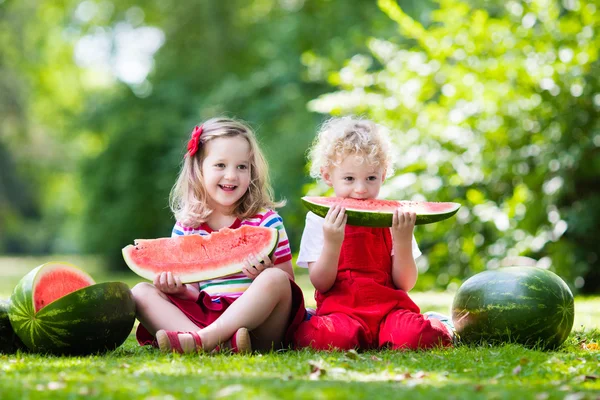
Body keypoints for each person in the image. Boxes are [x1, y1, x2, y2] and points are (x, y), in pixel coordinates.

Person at [132, 117, 305, 354]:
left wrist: (264, 273)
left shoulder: (267, 222)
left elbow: (289, 285)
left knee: (275, 279)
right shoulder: (187, 227)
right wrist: (178, 290)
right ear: (199, 169)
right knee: (140, 293)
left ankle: (202, 341)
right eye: (220, 165)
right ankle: (213, 344)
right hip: (206, 316)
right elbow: (193, 290)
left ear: (252, 171)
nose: (232, 176)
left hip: (260, 329)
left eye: (242, 166)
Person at [293, 117, 454, 351]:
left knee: (420, 336)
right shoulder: (319, 218)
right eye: (349, 178)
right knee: (327, 338)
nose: (360, 189)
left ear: (384, 174)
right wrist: (332, 243)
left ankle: (441, 323)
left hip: (390, 311)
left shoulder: (393, 218)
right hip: (342, 313)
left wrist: (402, 240)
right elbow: (321, 283)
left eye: (371, 178)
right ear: (327, 175)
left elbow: (405, 283)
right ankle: (316, 320)